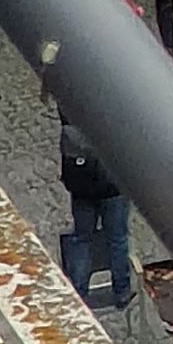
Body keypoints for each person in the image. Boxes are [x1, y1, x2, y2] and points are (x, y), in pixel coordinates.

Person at [55, 109, 133, 310]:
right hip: (113, 184)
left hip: (82, 185)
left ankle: (79, 292)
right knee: (117, 238)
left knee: (82, 239)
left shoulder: (71, 95)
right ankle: (121, 290)